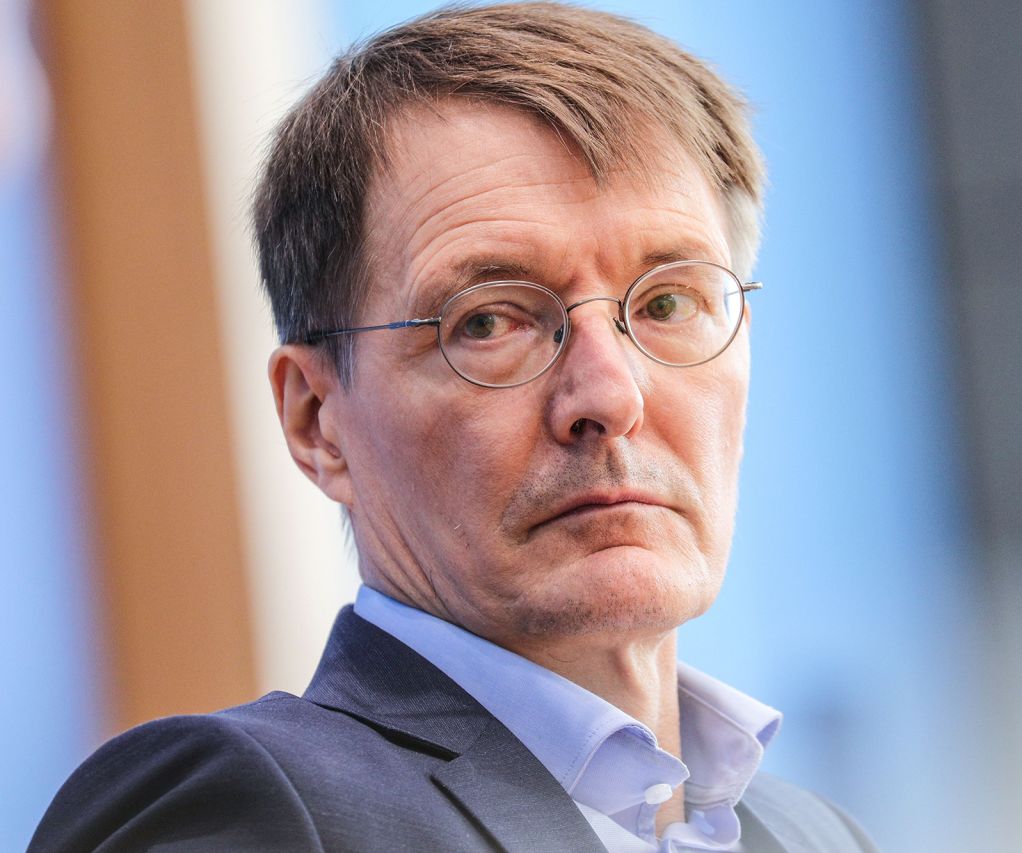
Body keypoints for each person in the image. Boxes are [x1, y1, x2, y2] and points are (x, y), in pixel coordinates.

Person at [31, 4, 876, 851]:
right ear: (317, 421)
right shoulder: (249, 807)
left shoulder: (823, 836)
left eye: (666, 304)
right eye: (488, 321)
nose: (610, 396)